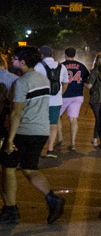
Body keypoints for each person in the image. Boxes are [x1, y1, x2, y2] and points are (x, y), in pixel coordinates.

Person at [1, 48, 67, 225]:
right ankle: (52, 198)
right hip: (41, 130)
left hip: (24, 130)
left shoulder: (22, 82)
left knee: (8, 168)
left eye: (15, 58)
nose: (12, 61)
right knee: (29, 168)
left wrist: (9, 140)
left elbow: (16, 112)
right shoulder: (43, 79)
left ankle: (10, 209)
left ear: (23, 62)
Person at [33, 46, 66, 158]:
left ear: (41, 55)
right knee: (53, 125)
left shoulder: (38, 66)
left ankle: (37, 149)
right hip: (56, 101)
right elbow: (66, 82)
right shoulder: (62, 66)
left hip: (42, 100)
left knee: (39, 124)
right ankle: (50, 150)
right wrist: (60, 93)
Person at [59, 48, 89, 153]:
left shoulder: (61, 65)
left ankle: (60, 139)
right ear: (75, 55)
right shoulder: (81, 66)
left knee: (57, 116)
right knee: (73, 119)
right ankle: (73, 144)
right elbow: (86, 78)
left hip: (64, 95)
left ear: (65, 54)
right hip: (77, 95)